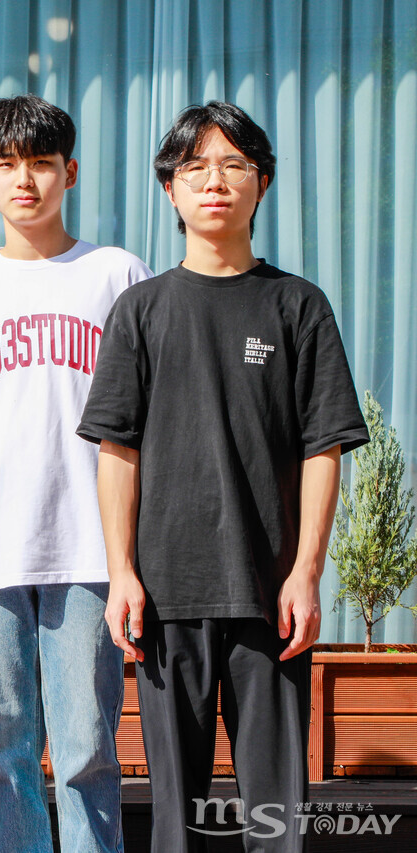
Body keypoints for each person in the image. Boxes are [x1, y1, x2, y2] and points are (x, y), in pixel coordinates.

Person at [78, 101, 369, 852]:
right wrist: (122, 574)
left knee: (276, 817)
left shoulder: (298, 306)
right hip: (165, 597)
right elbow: (117, 450)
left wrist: (306, 572)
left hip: (271, 597)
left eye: (234, 164)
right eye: (195, 166)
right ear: (170, 188)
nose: (215, 180)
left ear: (262, 183)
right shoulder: (140, 311)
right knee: (178, 820)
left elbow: (323, 448)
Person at [0, 94, 151, 852]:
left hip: (89, 551)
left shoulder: (117, 275)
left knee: (87, 750)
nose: (26, 180)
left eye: (42, 164)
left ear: (69, 172)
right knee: (5, 754)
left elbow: (145, 427)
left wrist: (131, 559)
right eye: (8, 165)